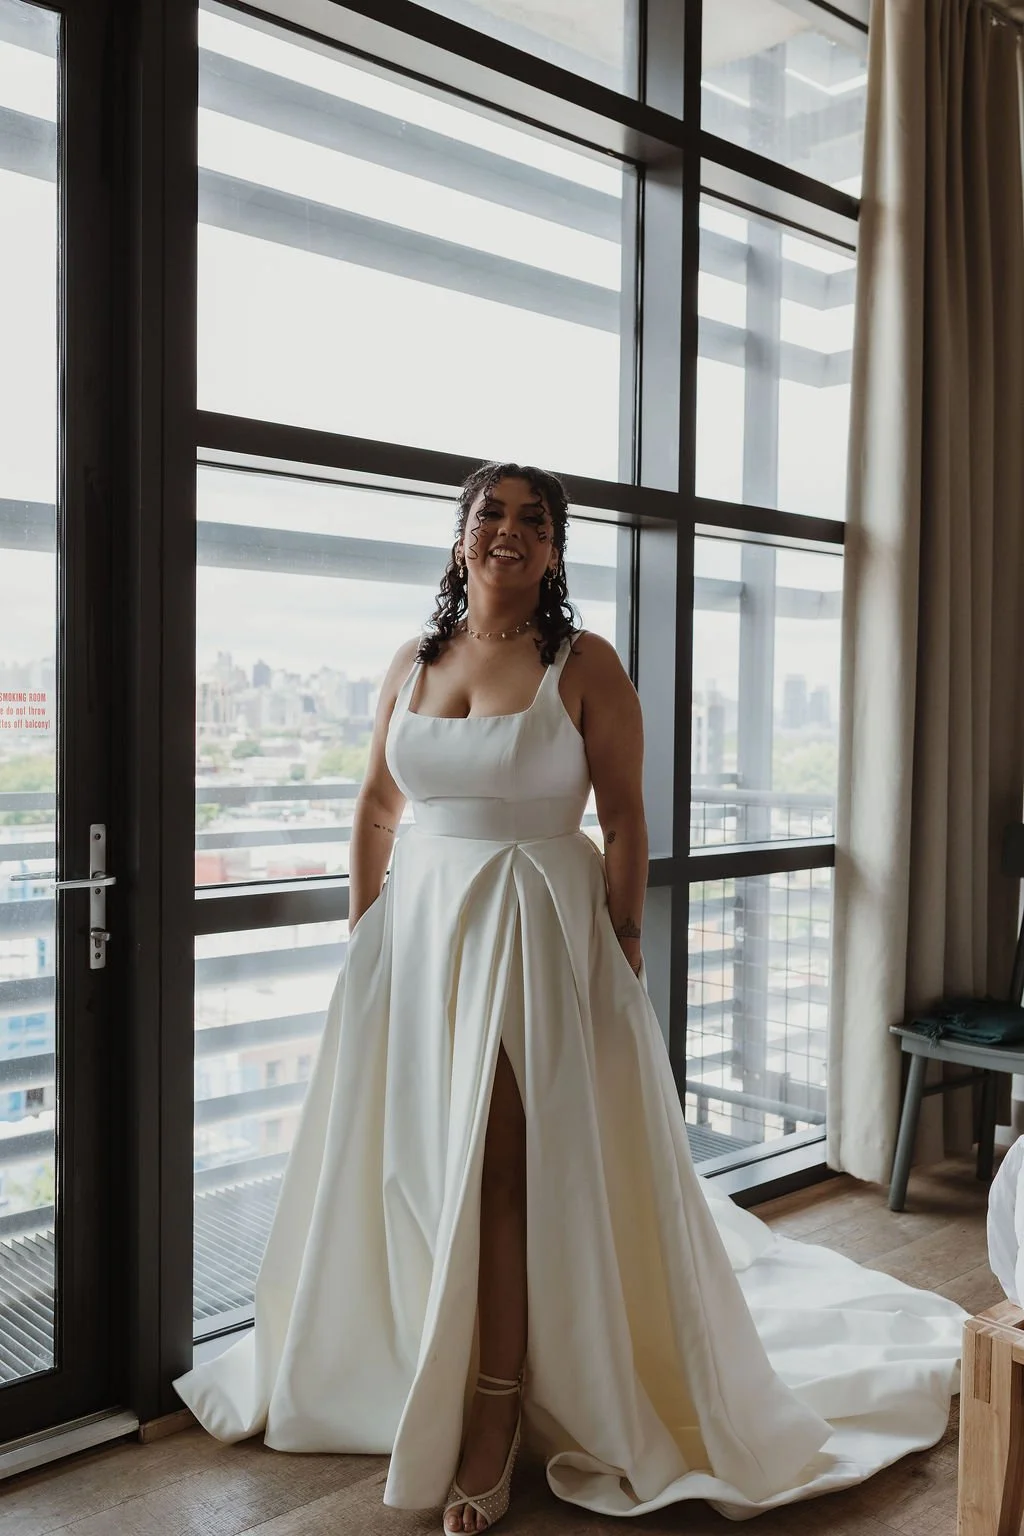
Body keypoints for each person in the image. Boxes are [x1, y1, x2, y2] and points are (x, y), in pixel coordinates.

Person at [175, 461, 966, 1529]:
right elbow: (374, 808)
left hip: (534, 938)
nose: (507, 532)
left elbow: (628, 821)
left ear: (554, 549)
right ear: (460, 536)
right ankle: (427, 1364)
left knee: (503, 1174)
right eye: (489, 513)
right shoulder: (409, 660)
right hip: (418, 946)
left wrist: (625, 939)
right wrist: (368, 934)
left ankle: (496, 1416)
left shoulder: (583, 664)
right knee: (415, 1167)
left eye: (531, 520)